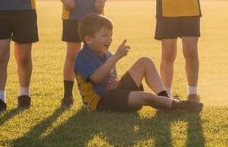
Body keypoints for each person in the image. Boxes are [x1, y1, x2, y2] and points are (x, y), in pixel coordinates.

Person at [73, 14, 201, 113]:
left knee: (145, 61)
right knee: (146, 97)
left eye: (111, 36)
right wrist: (116, 56)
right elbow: (96, 78)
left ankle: (165, 99)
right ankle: (178, 105)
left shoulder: (108, 55)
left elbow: (110, 80)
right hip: (101, 102)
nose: (109, 39)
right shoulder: (82, 57)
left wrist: (116, 82)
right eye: (104, 36)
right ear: (89, 39)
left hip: (114, 94)